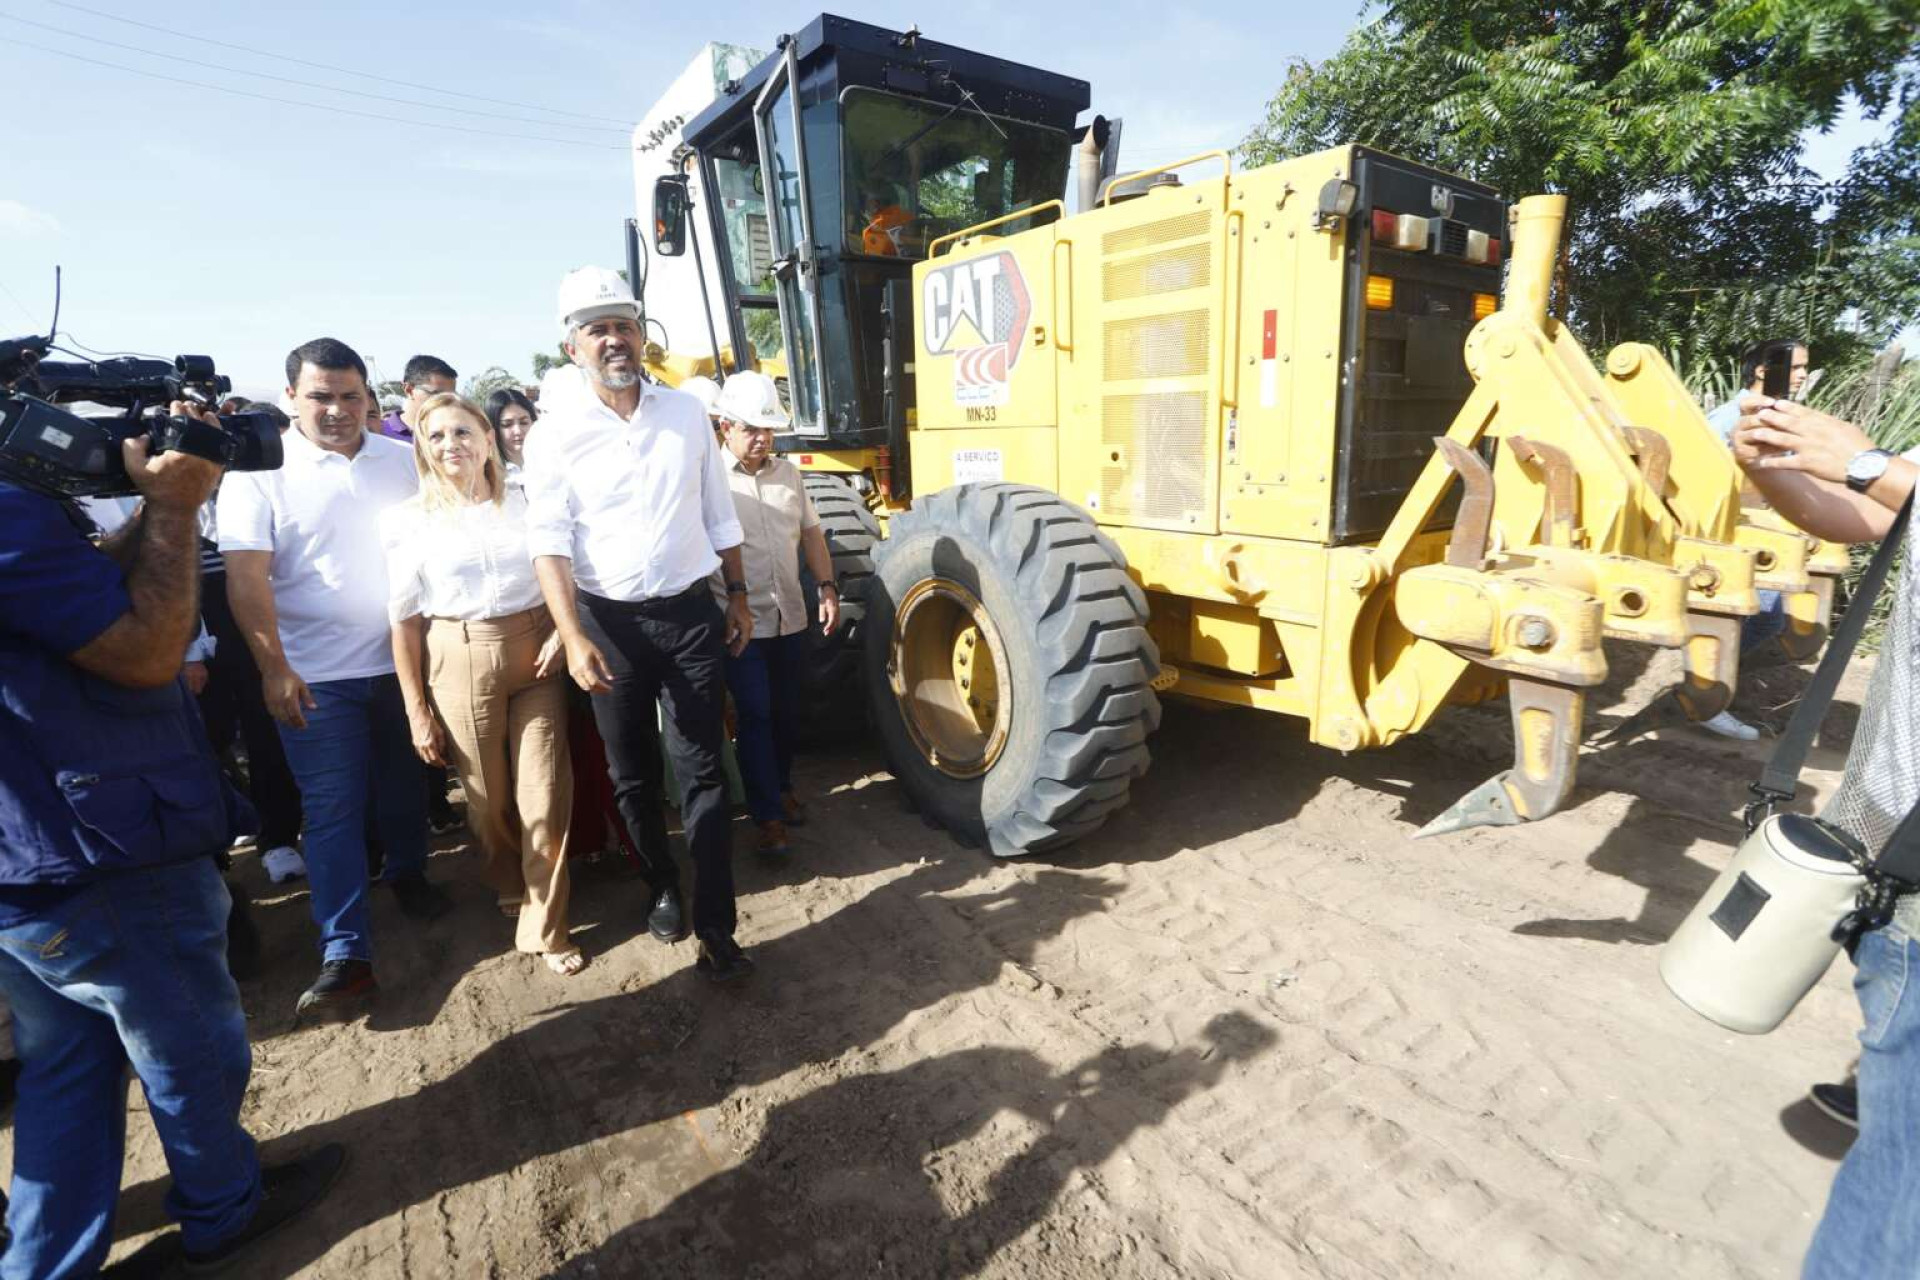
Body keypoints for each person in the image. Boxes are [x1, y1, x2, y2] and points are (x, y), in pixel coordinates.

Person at [0, 409, 342, 1275]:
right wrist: (181, 508)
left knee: (69, 1065)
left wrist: (155, 512)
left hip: (29, 862)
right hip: (96, 851)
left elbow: (67, 609)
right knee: (187, 1039)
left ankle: (43, 1263)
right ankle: (225, 1206)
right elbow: (147, 648)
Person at [1730, 392, 1919, 1278]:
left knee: (1898, 1201)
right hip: (1892, 863)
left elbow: (1878, 485)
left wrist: (1870, 460)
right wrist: (1772, 468)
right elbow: (1853, 518)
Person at [526, 266, 756, 982]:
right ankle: (660, 884)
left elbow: (719, 510)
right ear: (573, 348)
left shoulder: (687, 414)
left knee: (703, 770)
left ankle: (717, 925)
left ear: (641, 335)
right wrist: (572, 635)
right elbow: (550, 544)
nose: (615, 340)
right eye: (598, 330)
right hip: (607, 628)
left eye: (624, 325)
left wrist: (739, 594)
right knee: (631, 776)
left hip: (690, 616)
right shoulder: (554, 434)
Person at [219, 337, 452, 1020]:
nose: (338, 409)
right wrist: (273, 668)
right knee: (333, 811)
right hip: (315, 678)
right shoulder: (258, 469)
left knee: (406, 783)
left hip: (402, 664)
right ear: (291, 396)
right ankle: (346, 950)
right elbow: (246, 579)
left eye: (351, 396)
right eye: (321, 395)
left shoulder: (400, 459)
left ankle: (408, 873)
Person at [384, 394, 584, 977]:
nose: (453, 446)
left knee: (544, 795)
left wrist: (561, 633)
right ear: (423, 447)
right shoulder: (406, 520)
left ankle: (548, 926)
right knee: (486, 803)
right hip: (458, 657)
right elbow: (403, 621)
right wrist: (415, 708)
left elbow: (563, 567)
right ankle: (506, 877)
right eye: (438, 436)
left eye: (464, 432)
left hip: (539, 654)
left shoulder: (527, 500)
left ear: (488, 438)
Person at [710, 371, 839, 855]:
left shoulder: (790, 475)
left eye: (768, 429)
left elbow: (811, 534)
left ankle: (781, 787)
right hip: (738, 623)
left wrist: (826, 587)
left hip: (790, 616)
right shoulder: (710, 480)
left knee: (787, 712)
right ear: (726, 426)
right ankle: (766, 815)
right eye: (751, 428)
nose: (762, 438)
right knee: (756, 715)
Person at [1694, 338, 1814, 741]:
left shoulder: (1778, 416)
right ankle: (1703, 692)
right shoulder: (1731, 416)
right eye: (1795, 367)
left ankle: (1708, 681)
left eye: (1804, 368)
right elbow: (1702, 475)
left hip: (1767, 537)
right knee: (1761, 618)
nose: (1801, 376)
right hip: (1737, 537)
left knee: (1768, 619)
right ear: (1763, 370)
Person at [484, 386, 537, 479]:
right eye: (507, 425)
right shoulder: (487, 475)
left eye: (524, 422)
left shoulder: (551, 463)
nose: (518, 431)